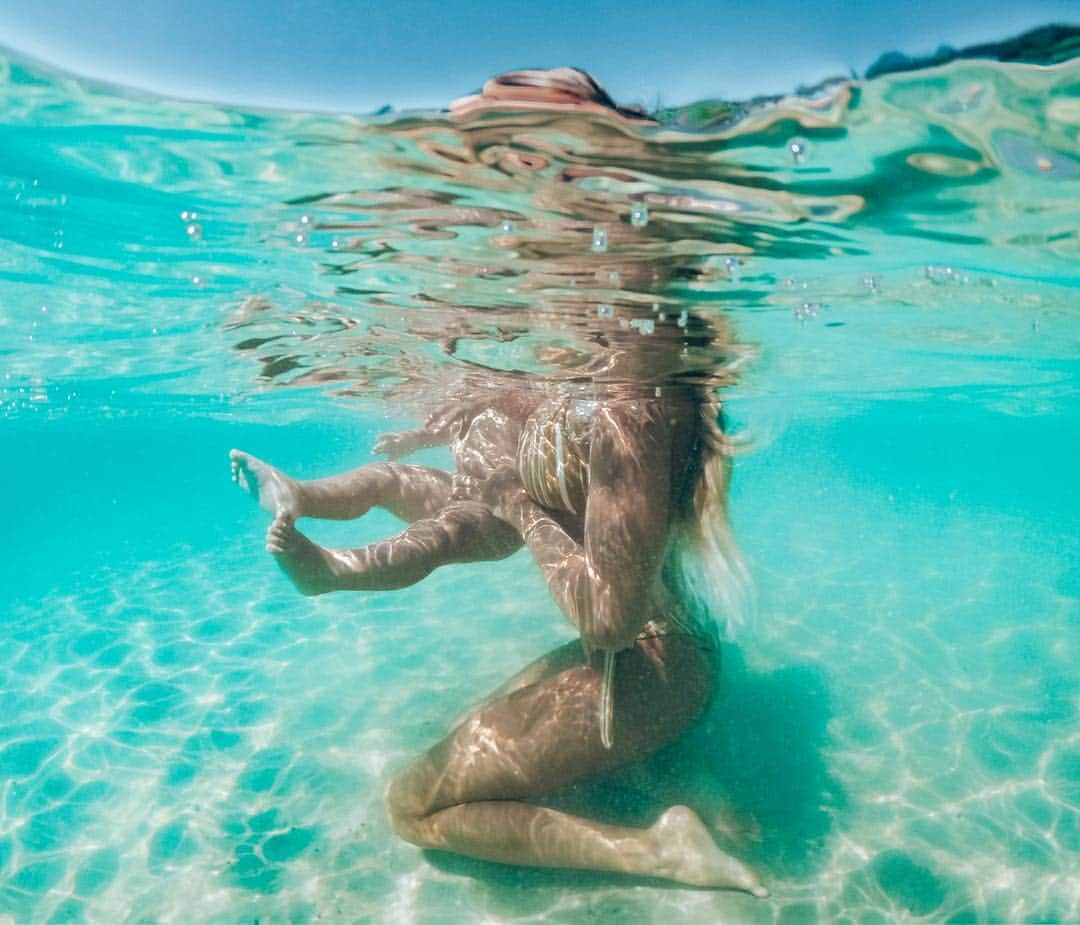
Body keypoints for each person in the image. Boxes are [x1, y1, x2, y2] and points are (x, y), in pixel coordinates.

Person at [229, 68, 766, 895]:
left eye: (511, 173)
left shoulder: (633, 390)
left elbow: (609, 617)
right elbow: (465, 511)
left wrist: (517, 500)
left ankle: (662, 849)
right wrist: (331, 543)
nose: (497, 238)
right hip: (666, 658)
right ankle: (672, 780)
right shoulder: (561, 385)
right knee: (475, 749)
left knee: (413, 804)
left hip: (655, 658)